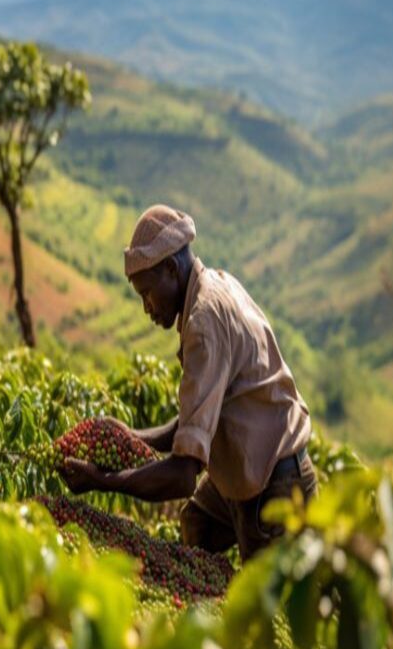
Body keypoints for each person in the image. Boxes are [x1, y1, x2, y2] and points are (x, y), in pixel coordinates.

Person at [59, 204, 317, 561]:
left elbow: (182, 475)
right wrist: (130, 435)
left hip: (275, 483)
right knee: (197, 525)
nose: (146, 309)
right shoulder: (216, 281)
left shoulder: (203, 323)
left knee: (264, 609)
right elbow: (194, 421)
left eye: (147, 294)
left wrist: (103, 481)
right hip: (248, 464)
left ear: (170, 268)